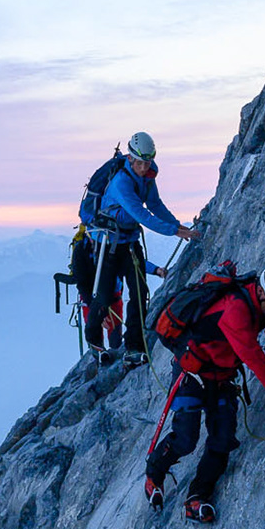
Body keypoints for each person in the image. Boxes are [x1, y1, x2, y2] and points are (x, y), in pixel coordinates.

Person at [144, 263, 265, 524]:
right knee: (186, 438)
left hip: (222, 376)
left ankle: (197, 497)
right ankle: (154, 472)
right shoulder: (235, 311)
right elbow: (256, 361)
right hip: (192, 372)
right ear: (260, 292)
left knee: (222, 440)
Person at [71, 131, 200, 361]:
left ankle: (134, 346)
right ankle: (94, 340)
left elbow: (155, 205)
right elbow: (142, 214)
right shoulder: (121, 182)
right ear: (130, 158)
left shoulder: (148, 177)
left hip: (128, 242)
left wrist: (177, 225)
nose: (143, 167)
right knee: (103, 296)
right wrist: (175, 231)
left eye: (147, 162)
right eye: (139, 162)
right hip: (108, 244)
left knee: (140, 292)